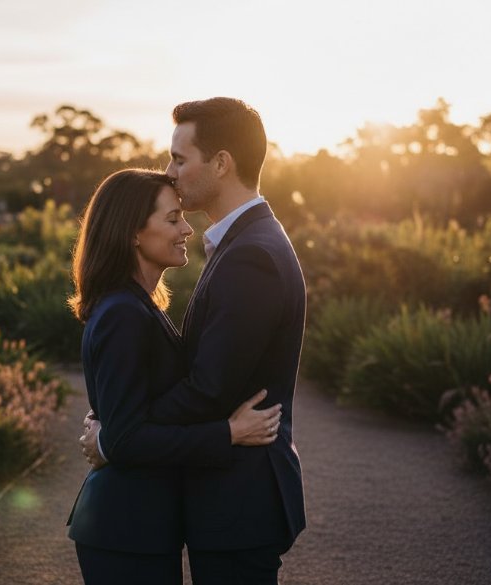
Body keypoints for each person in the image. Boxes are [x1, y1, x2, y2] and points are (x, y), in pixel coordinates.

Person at [83, 98, 307, 584]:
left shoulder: (251, 255)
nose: (170, 171)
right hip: (231, 501)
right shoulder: (245, 243)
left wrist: (117, 435)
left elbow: (208, 388)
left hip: (240, 501)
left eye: (180, 159)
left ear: (221, 163)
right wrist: (124, 430)